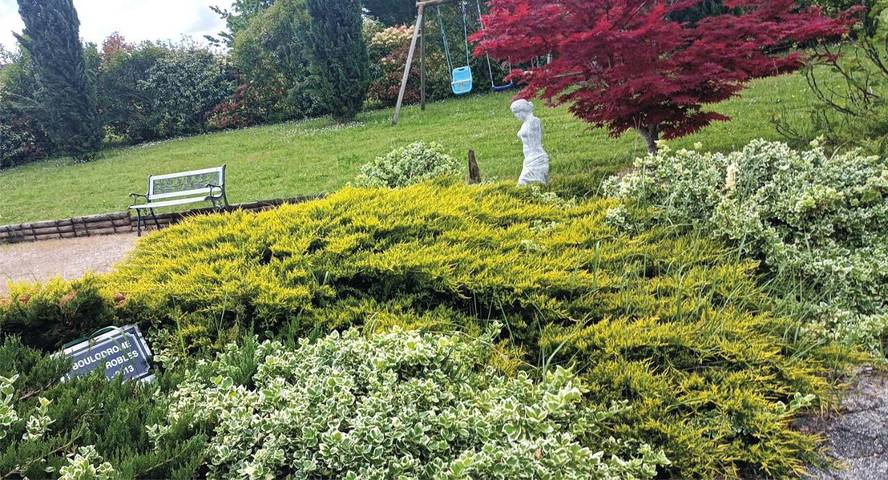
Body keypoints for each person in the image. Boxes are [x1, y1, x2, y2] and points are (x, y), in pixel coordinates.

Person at [511, 99, 550, 185]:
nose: (516, 116)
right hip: (528, 158)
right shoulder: (525, 123)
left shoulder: (534, 121)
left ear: (522, 111)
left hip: (536, 157)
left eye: (516, 113)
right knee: (529, 186)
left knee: (522, 183)